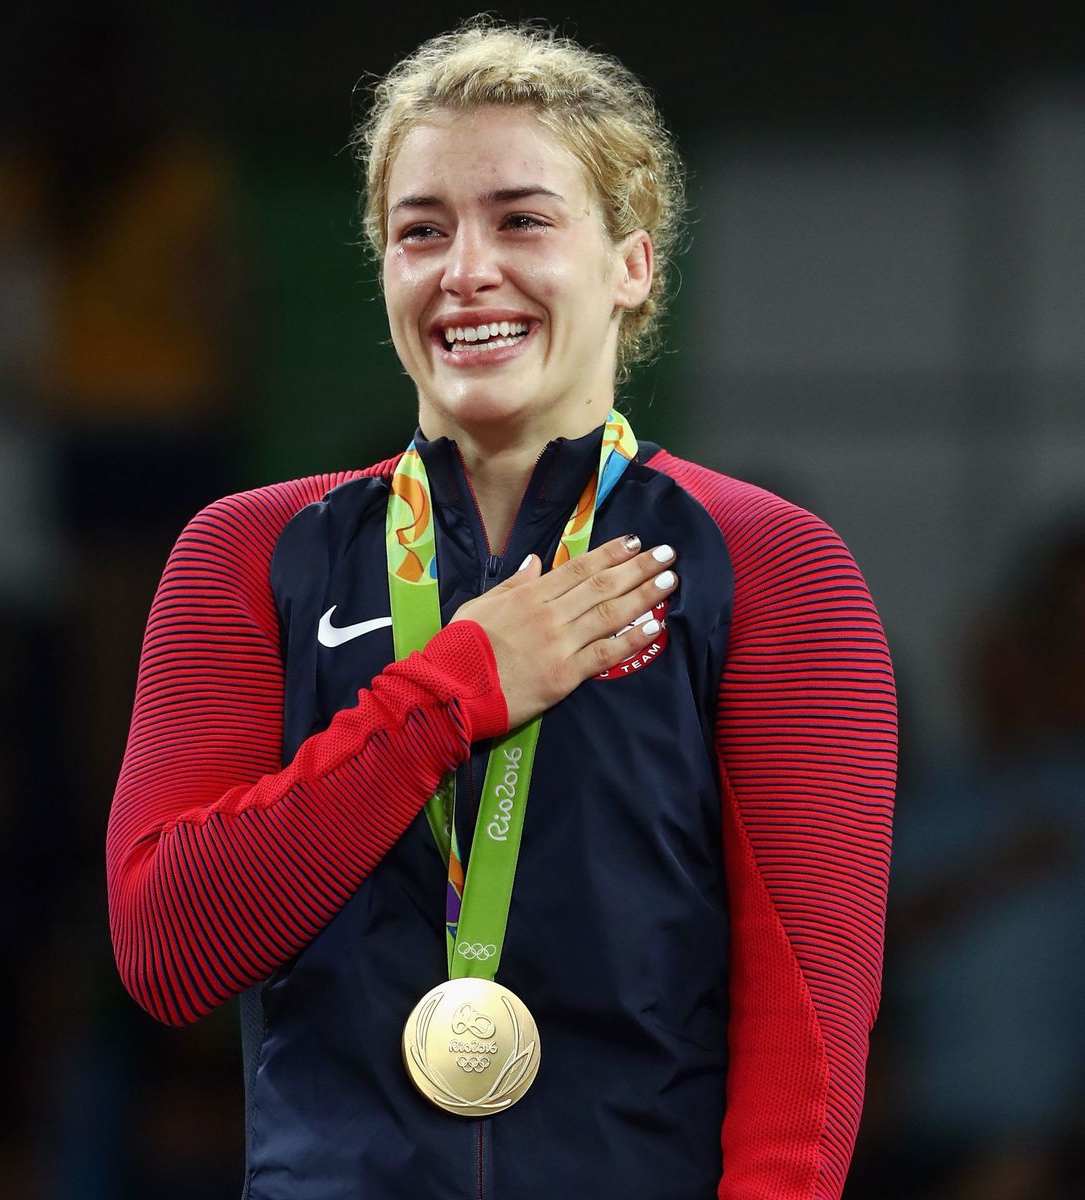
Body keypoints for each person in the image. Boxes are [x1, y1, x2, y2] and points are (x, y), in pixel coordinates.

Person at [106, 19, 898, 1200]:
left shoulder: (771, 564)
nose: (465, 269)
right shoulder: (249, 554)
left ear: (632, 264)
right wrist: (455, 688)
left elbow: (807, 1042)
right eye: (420, 231)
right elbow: (171, 948)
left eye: (522, 220)